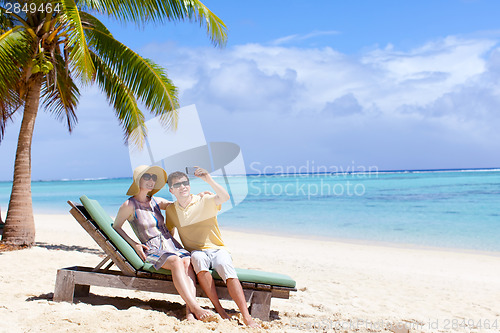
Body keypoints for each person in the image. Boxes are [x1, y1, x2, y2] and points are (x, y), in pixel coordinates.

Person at [113, 165, 215, 322]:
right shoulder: (129, 205)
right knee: (175, 261)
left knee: (187, 261)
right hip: (152, 248)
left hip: (171, 243)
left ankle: (189, 313)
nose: (151, 180)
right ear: (138, 180)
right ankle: (195, 307)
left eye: (153, 178)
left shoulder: (156, 201)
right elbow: (116, 227)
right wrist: (134, 244)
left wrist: (198, 196)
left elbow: (181, 204)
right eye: (147, 177)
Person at [165, 167, 259, 328]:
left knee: (224, 266)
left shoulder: (204, 200)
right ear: (171, 190)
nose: (182, 187)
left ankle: (246, 316)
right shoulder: (172, 210)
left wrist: (208, 178)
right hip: (196, 252)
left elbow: (224, 196)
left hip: (217, 249)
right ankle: (220, 310)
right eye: (177, 185)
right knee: (197, 259)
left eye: (185, 183)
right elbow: (169, 234)